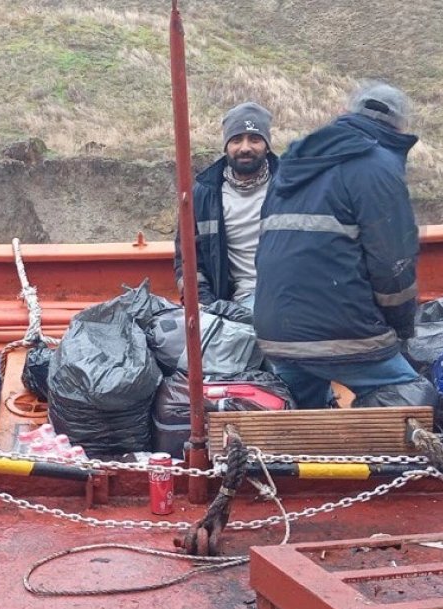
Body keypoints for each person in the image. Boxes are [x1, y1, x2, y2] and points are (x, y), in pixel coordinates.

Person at [252, 82, 421, 409]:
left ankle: (305, 448)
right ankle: (373, 455)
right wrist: (400, 330)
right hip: (339, 335)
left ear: (345, 114)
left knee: (305, 407)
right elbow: (392, 266)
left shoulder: (292, 162)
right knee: (410, 392)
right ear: (400, 127)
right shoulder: (379, 166)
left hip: (274, 332)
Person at [174, 102, 279, 309]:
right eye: (236, 140)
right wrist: (204, 305)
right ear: (226, 146)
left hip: (286, 300)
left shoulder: (294, 186)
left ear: (267, 145)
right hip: (233, 304)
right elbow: (188, 262)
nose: (245, 148)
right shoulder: (204, 195)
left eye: (255, 139)